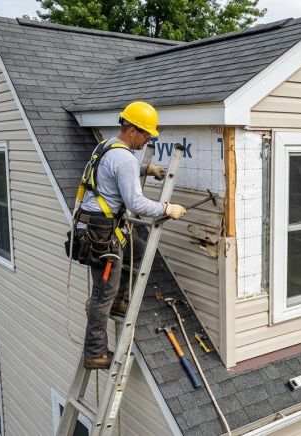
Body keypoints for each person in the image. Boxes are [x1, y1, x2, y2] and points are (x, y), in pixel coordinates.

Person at [76, 101, 187, 369]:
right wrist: (166, 208)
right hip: (102, 232)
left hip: (93, 226)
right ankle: (95, 353)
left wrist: (145, 169)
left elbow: (114, 170)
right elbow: (136, 203)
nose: (148, 139)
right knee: (102, 294)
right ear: (133, 130)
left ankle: (118, 302)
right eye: (146, 134)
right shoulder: (124, 158)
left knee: (137, 249)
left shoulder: (107, 146)